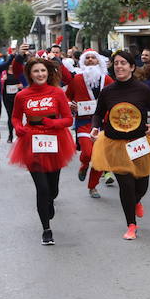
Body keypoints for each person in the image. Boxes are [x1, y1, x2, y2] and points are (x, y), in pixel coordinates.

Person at [89, 51, 150, 240]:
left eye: (123, 63)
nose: (119, 66)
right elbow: (98, 114)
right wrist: (96, 127)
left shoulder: (142, 89)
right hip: (115, 144)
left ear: (132, 67)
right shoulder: (108, 91)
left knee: (142, 184)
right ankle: (131, 225)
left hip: (139, 143)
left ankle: (136, 201)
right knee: (126, 185)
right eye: (116, 63)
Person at [9, 58, 77, 245]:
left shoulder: (57, 93)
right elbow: (15, 117)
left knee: (52, 189)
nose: (40, 74)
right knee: (42, 188)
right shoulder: (22, 95)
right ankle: (46, 229)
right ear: (30, 74)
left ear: (48, 73)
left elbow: (68, 119)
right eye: (36, 71)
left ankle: (50, 200)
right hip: (32, 142)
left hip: (55, 141)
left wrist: (53, 123)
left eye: (43, 71)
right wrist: (18, 127)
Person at [66, 49, 113, 198]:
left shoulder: (108, 80)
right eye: (88, 58)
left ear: (99, 61)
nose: (91, 60)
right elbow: (67, 98)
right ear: (83, 62)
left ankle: (93, 187)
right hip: (84, 122)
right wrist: (70, 104)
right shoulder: (77, 79)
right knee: (87, 153)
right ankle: (84, 164)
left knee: (99, 158)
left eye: (94, 58)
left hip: (103, 124)